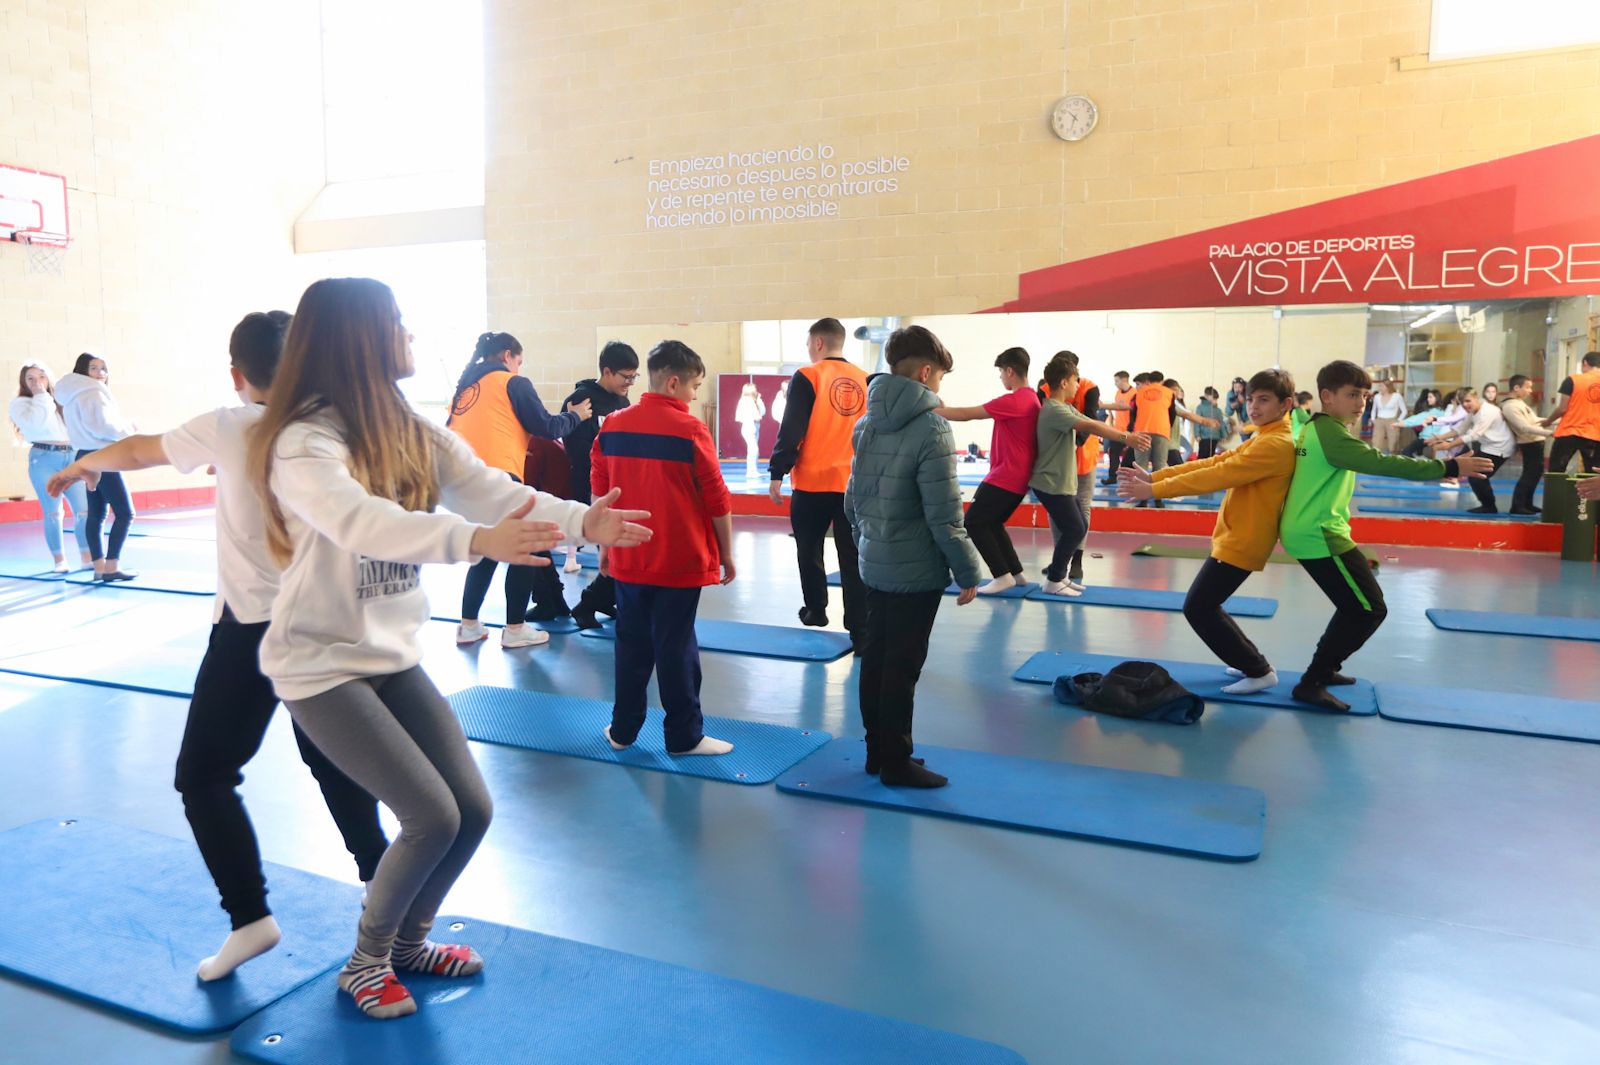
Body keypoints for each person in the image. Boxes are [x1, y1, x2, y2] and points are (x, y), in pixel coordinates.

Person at [249, 277, 651, 1020]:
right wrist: (474, 542)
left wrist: (578, 522)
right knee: (430, 814)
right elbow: (362, 522)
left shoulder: (410, 427)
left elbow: (492, 489)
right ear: (357, 339)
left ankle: (408, 945)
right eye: (396, 321)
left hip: (390, 655)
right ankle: (366, 961)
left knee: (470, 806)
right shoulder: (303, 441)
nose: (409, 332)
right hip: (318, 664)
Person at [47, 310, 390, 982]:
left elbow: (142, 447)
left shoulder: (234, 426)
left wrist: (82, 463)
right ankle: (389, 893)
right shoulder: (339, 429)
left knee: (203, 776)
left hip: (255, 631)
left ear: (238, 376)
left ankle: (251, 917)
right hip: (331, 624)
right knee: (333, 763)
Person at [1278, 361, 1492, 712]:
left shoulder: (1317, 427)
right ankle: (1312, 681)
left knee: (1356, 605)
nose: (1361, 402)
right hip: (1320, 534)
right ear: (1327, 397)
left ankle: (1324, 670)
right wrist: (1450, 466)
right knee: (1368, 608)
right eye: (1352, 395)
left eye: (1364, 395)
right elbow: (1384, 463)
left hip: (1318, 530)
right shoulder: (1330, 434)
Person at [845, 325, 983, 788]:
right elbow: (945, 515)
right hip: (916, 570)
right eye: (940, 376)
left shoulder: (864, 423)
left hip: (874, 560)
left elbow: (852, 500)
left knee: (877, 660)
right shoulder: (933, 428)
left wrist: (868, 539)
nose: (940, 385)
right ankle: (895, 762)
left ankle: (876, 752)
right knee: (901, 669)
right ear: (926, 372)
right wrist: (968, 570)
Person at [591, 340, 735, 758]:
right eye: (694, 388)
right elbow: (717, 498)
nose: (694, 396)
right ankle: (684, 736)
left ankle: (622, 730)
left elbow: (600, 490)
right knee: (676, 647)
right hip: (679, 559)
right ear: (674, 382)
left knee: (630, 644)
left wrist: (605, 543)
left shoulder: (613, 424)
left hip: (628, 555)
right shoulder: (691, 429)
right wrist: (726, 553)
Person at [1118, 369, 1297, 693]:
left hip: (1246, 538)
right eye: (1252, 399)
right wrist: (1156, 479)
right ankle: (1252, 663)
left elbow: (1218, 476)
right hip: (1236, 534)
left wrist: (1155, 490)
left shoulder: (1276, 444)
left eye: (1264, 400)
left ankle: (1258, 669)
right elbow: (1213, 462)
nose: (1253, 407)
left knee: (1198, 607)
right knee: (1207, 605)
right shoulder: (1266, 436)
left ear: (1285, 404)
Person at [447, 331, 593, 649]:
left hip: (461, 482)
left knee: (485, 550)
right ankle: (515, 628)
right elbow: (548, 427)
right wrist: (577, 416)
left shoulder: (464, 389)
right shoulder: (511, 382)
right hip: (497, 477)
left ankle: (468, 625)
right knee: (522, 547)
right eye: (519, 362)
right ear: (507, 355)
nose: (519, 369)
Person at [767, 317, 869, 643]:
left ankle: (816, 609)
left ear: (818, 343)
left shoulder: (807, 376)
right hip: (852, 484)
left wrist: (777, 472)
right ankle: (859, 625)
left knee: (809, 549)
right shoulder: (866, 379)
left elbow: (792, 428)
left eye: (809, 343)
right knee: (852, 556)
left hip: (812, 483)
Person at [1031, 357, 1147, 596]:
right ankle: (1054, 579)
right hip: (1050, 483)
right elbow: (1091, 428)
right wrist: (1127, 437)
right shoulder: (1053, 409)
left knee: (1078, 526)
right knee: (1074, 529)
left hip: (1061, 482)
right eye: (1075, 380)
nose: (1078, 385)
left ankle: (1058, 574)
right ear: (1064, 382)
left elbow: (1091, 420)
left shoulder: (1065, 407)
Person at [940, 347, 1041, 593]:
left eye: (1001, 373)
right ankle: (1016, 574)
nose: (1000, 378)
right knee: (993, 523)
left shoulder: (1014, 401)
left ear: (1010, 371)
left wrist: (931, 410)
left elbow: (966, 414)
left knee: (974, 522)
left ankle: (1002, 575)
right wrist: (943, 408)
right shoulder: (1032, 399)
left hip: (1006, 476)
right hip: (1017, 476)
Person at [562, 341, 639, 625]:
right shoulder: (582, 399)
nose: (629, 383)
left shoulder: (624, 403)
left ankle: (601, 600)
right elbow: (575, 447)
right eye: (625, 376)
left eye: (634, 377)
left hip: (618, 488)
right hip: (590, 487)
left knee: (616, 551)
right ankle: (587, 604)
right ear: (607, 371)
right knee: (610, 550)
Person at [54, 353, 138, 581]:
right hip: (102, 455)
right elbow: (101, 426)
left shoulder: (71, 394)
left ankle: (100, 567)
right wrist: (128, 429)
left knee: (97, 514)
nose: (101, 373)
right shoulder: (92, 392)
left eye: (104, 368)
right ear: (83, 370)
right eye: (94, 368)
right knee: (125, 513)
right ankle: (111, 567)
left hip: (84, 454)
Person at [10, 363, 91, 572]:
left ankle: (86, 557)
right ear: (24, 382)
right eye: (31, 378)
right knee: (54, 512)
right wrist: (41, 395)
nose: (38, 382)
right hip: (43, 458)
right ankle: (59, 560)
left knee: (83, 510)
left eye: (42, 377)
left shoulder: (61, 403)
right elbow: (38, 424)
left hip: (71, 457)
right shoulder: (21, 404)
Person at [1426, 387, 1515, 513]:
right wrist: (1438, 438)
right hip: (1489, 446)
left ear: (1476, 398)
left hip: (1500, 448)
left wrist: (1449, 445)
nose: (1465, 405)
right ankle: (1489, 505)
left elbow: (1474, 435)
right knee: (1476, 475)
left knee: (1477, 477)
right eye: (1462, 402)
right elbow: (1460, 429)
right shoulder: (1473, 411)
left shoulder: (1487, 411)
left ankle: (1489, 506)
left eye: (1468, 401)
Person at [1499, 375, 1552, 515]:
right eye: (1527, 387)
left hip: (1535, 441)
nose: (1530, 391)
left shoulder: (1519, 403)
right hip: (1529, 443)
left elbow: (1534, 421)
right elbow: (1523, 427)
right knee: (1529, 474)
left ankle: (1527, 503)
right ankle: (1517, 506)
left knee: (1535, 473)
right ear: (1516, 388)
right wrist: (1550, 433)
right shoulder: (1510, 406)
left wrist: (1556, 420)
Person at [1544, 350, 1600, 474]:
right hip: (1595, 435)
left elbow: (1562, 408)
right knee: (1594, 474)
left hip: (1569, 432)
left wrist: (1548, 421)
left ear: (1585, 363)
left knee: (1556, 472)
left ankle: (1555, 493)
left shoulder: (1573, 380)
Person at [1099, 370, 1134, 484]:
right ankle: (1112, 477)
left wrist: (1103, 405)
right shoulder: (1118, 393)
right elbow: (1116, 409)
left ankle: (1129, 478)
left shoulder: (1134, 394)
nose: (1115, 383)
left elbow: (1123, 407)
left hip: (1129, 432)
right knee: (1113, 452)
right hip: (1119, 432)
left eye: (1117, 381)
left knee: (1129, 457)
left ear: (1124, 380)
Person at [734, 380, 766, 481]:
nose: (756, 391)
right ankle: (750, 471)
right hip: (749, 425)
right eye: (755, 390)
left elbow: (762, 412)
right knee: (753, 449)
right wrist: (751, 427)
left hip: (755, 425)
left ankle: (753, 470)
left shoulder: (753, 400)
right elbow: (747, 416)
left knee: (753, 449)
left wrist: (759, 400)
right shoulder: (746, 400)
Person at [1369, 379, 1406, 454]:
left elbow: (1404, 411)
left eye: (1381, 386)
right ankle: (1376, 460)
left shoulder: (1397, 396)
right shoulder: (1377, 396)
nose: (1379, 388)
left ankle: (1394, 459)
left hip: (1392, 420)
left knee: (1393, 443)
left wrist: (1398, 421)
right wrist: (1373, 420)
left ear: (1387, 386)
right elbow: (1373, 409)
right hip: (1379, 420)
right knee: (1376, 443)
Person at [1195, 387, 1225, 460]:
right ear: (1206, 396)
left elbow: (1221, 423)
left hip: (1215, 437)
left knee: (1211, 457)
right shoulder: (1200, 407)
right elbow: (1197, 421)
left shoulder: (1218, 410)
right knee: (1202, 457)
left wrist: (1223, 435)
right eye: (1213, 398)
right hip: (1204, 437)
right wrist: (1197, 434)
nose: (1215, 401)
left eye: (1216, 399)